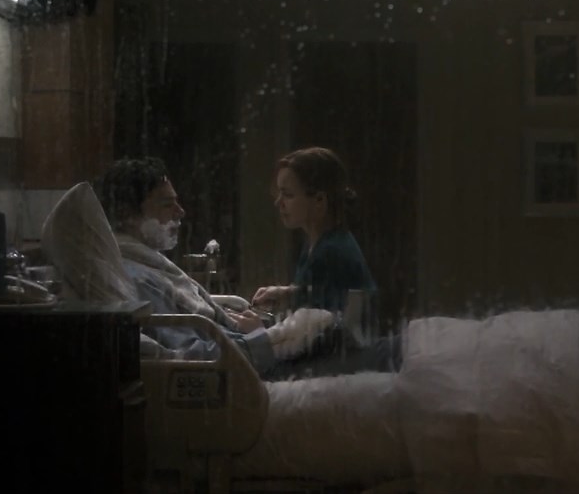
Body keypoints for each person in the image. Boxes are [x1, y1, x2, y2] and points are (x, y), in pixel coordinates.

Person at [97, 157, 280, 375]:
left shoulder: (152, 266)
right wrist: (260, 340)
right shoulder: (138, 280)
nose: (180, 211)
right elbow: (194, 356)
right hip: (239, 374)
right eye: (167, 204)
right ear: (127, 214)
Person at [252, 147, 377, 317]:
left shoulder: (330, 252)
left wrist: (257, 328)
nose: (278, 202)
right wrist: (289, 293)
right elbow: (321, 293)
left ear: (319, 200)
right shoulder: (318, 242)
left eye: (288, 195)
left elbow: (315, 323)